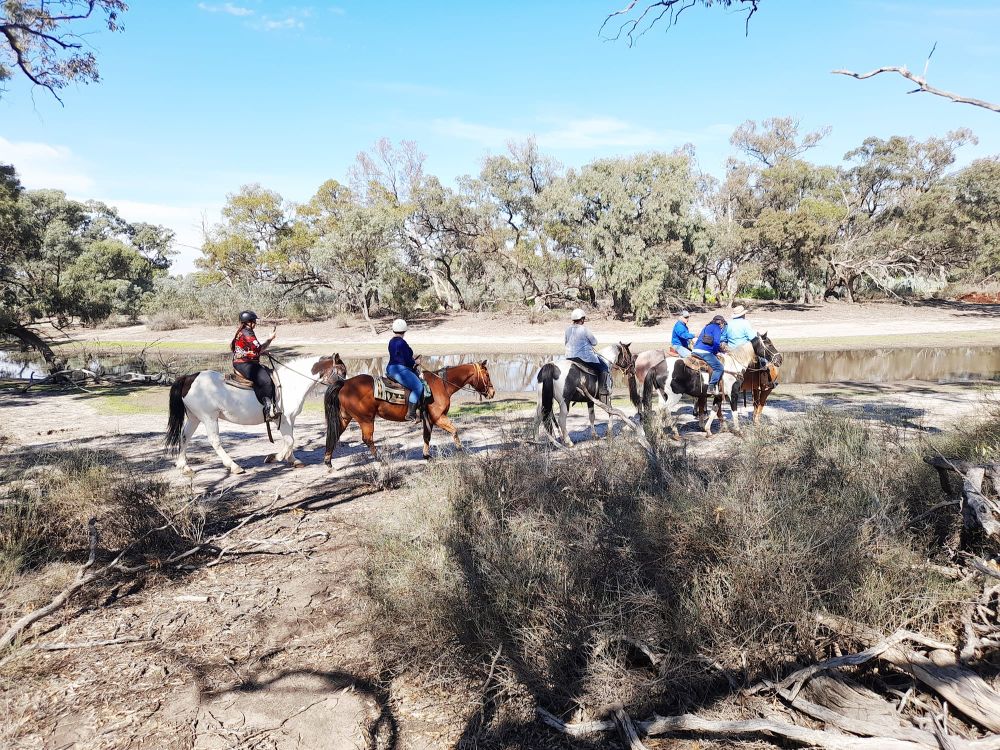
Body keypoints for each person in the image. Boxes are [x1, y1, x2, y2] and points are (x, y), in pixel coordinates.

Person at [231, 310, 279, 419]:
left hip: (243, 362)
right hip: (244, 364)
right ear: (249, 322)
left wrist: (261, 352)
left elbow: (252, 349)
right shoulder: (247, 332)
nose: (255, 323)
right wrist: (270, 339)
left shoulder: (243, 331)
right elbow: (259, 348)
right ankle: (268, 409)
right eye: (254, 321)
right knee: (266, 380)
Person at [565, 308, 611, 398]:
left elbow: (566, 342)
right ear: (581, 319)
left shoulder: (567, 329)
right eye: (583, 319)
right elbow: (594, 343)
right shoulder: (584, 329)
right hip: (584, 357)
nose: (584, 320)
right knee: (604, 367)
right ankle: (602, 389)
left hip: (569, 357)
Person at [386, 318, 424, 422]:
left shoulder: (391, 341)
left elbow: (398, 356)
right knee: (418, 387)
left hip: (390, 368)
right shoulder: (402, 343)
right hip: (400, 370)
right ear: (404, 330)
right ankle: (410, 414)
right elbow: (407, 360)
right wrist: (415, 362)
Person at [692, 314, 728, 394]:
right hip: (705, 352)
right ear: (721, 323)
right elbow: (715, 343)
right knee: (719, 367)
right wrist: (716, 352)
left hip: (695, 350)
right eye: (723, 324)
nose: (723, 326)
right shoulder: (717, 328)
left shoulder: (706, 327)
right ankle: (711, 387)